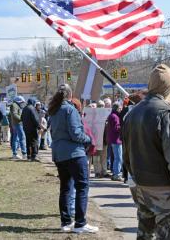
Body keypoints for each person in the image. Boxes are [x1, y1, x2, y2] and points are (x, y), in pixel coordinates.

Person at [122, 64, 170, 239]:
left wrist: (137, 179)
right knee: (169, 233)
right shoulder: (166, 114)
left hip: (141, 185)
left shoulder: (132, 113)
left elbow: (126, 156)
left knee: (145, 233)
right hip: (164, 190)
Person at [49, 84, 98, 234]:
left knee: (65, 188)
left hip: (59, 154)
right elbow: (76, 133)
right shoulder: (70, 109)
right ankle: (80, 223)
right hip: (74, 154)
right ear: (70, 96)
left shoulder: (54, 110)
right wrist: (88, 139)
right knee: (82, 187)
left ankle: (66, 222)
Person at [106, 102, 122, 181]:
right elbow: (116, 128)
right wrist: (123, 127)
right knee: (118, 158)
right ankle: (117, 174)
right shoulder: (115, 116)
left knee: (116, 157)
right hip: (116, 140)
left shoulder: (111, 115)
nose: (121, 110)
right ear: (116, 108)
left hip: (113, 139)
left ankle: (115, 173)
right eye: (120, 108)